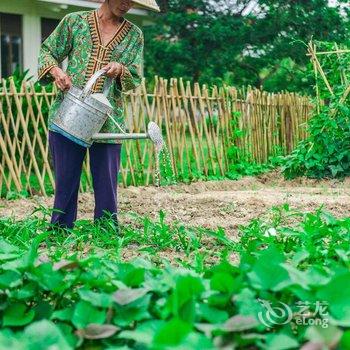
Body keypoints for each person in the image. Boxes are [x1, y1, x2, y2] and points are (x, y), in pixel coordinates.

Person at [37, 0, 159, 230]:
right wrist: (56, 71)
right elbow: (48, 52)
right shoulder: (74, 22)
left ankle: (106, 233)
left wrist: (122, 69)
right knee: (66, 182)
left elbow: (135, 76)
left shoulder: (134, 34)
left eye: (133, 1)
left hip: (108, 119)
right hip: (69, 113)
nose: (127, 5)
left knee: (106, 184)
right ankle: (60, 232)